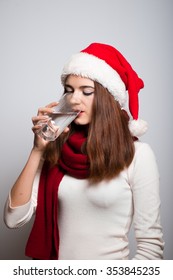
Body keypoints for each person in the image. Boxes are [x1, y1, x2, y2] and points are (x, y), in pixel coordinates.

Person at [4, 42, 164, 260]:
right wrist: (37, 151)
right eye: (69, 91)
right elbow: (13, 220)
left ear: (109, 99)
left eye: (86, 91)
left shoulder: (138, 155)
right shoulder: (56, 148)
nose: (73, 99)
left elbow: (150, 249)